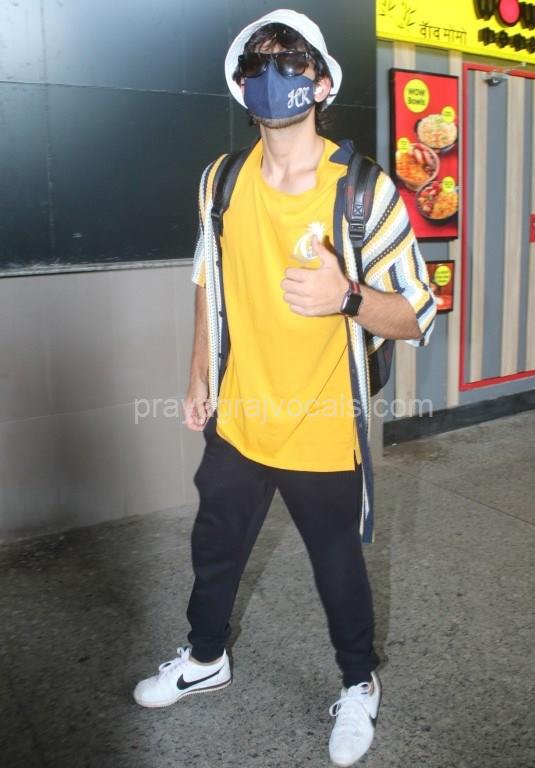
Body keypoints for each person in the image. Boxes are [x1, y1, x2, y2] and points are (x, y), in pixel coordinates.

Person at [133, 9, 436, 767]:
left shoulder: (363, 192)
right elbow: (207, 279)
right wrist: (198, 373)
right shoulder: (221, 180)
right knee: (214, 550)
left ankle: (358, 683)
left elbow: (416, 315)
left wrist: (348, 297)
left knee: (337, 568)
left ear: (322, 83)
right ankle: (206, 659)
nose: (275, 77)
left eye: (292, 62)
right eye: (258, 65)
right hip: (239, 416)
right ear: (241, 88)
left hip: (322, 424)